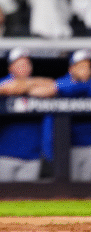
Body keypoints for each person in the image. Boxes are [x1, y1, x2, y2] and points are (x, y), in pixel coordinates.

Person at [0, 48, 55, 182]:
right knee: (3, 199)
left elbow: (54, 86)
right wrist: (29, 87)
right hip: (5, 155)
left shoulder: (38, 84)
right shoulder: (2, 84)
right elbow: (7, 88)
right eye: (19, 64)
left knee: (27, 200)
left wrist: (29, 85)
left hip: (32, 156)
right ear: (11, 68)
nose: (24, 67)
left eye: (27, 64)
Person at [44, 50, 91, 181]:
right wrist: (49, 150)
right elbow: (49, 121)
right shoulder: (61, 83)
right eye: (81, 67)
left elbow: (83, 87)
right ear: (71, 69)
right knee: (67, 192)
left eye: (88, 67)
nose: (86, 70)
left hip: (89, 147)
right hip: (67, 149)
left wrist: (60, 88)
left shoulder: (87, 84)